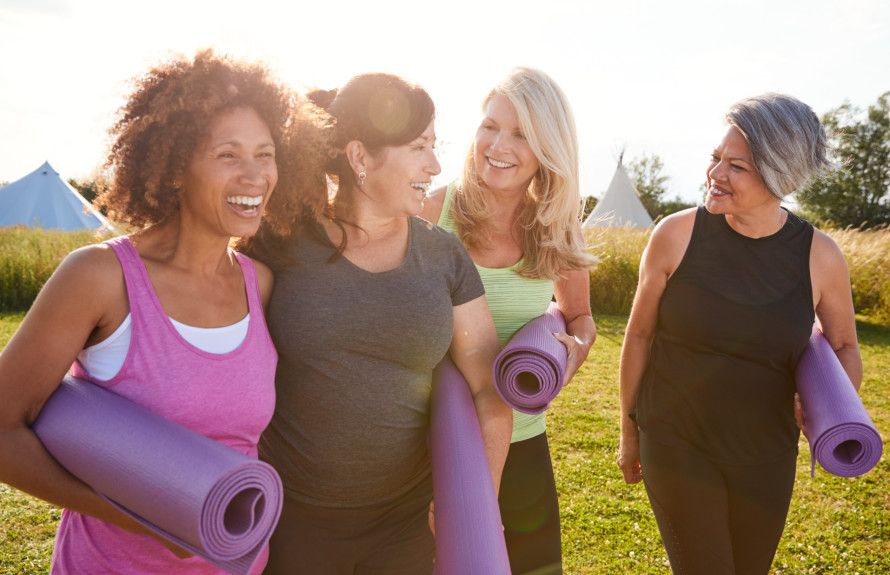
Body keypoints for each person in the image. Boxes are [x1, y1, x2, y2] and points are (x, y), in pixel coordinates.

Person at [0, 50, 317, 574]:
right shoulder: (99, 278)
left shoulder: (258, 284)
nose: (255, 175)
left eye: (266, 154)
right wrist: (145, 515)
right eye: (228, 155)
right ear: (175, 170)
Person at [247, 73, 513, 574]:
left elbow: (487, 390)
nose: (434, 166)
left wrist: (477, 503)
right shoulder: (280, 241)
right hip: (292, 518)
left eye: (435, 147)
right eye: (418, 147)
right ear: (360, 158)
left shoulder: (442, 255)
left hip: (406, 524)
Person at [617, 93, 862, 574]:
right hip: (675, 441)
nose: (715, 174)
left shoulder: (821, 256)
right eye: (715, 158)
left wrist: (834, 401)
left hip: (767, 455)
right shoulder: (675, 235)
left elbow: (845, 345)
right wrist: (629, 431)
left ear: (780, 175)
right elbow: (640, 335)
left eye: (737, 167)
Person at [421, 67, 596, 575]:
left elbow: (581, 316)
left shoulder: (556, 227)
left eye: (520, 134)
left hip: (521, 442)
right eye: (490, 125)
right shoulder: (435, 210)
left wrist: (570, 353)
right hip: (431, 444)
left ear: (547, 147)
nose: (498, 144)